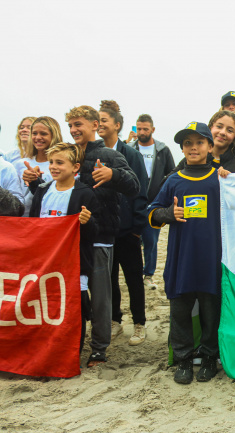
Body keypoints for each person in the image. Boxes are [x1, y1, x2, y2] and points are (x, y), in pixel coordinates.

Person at [64, 105, 140, 367]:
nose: (74, 130)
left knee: (100, 296)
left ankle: (98, 349)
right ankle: (72, 343)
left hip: (101, 236)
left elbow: (134, 185)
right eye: (71, 125)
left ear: (95, 125)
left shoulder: (107, 154)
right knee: (73, 294)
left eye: (79, 124)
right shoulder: (67, 153)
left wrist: (112, 174)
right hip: (70, 238)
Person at [148, 122, 221, 384]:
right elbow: (152, 212)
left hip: (212, 258)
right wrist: (169, 213)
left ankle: (210, 356)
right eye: (188, 143)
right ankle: (183, 358)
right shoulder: (173, 180)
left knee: (211, 310)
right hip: (182, 258)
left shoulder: (220, 179)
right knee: (180, 310)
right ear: (182, 148)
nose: (193, 147)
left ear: (210, 147)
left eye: (199, 142)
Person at [28, 142, 99, 354]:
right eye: (51, 162)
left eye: (60, 162)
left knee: (74, 309)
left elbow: (94, 234)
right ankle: (48, 350)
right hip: (46, 263)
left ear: (76, 167)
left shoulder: (85, 194)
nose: (54, 167)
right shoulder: (42, 191)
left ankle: (71, 353)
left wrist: (88, 221)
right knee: (48, 306)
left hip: (74, 264)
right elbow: (32, 225)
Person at [98, 100, 149, 346]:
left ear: (117, 125)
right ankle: (115, 321)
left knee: (133, 279)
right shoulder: (93, 153)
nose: (99, 125)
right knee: (109, 279)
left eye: (104, 121)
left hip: (129, 230)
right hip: (104, 230)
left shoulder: (132, 155)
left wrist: (137, 229)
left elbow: (141, 191)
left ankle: (139, 323)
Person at [127, 114, 175, 290]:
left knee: (151, 242)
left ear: (152, 130)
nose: (141, 132)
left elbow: (172, 173)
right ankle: (133, 275)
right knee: (131, 241)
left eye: (145, 129)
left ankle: (148, 275)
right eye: (139, 129)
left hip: (154, 205)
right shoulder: (129, 150)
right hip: (133, 204)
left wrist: (164, 197)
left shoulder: (163, 150)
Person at [16, 116, 63, 215]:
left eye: (43, 134)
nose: (37, 137)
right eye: (34, 133)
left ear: (54, 135)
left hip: (47, 220)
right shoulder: (21, 164)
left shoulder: (61, 166)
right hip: (22, 220)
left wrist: (38, 182)